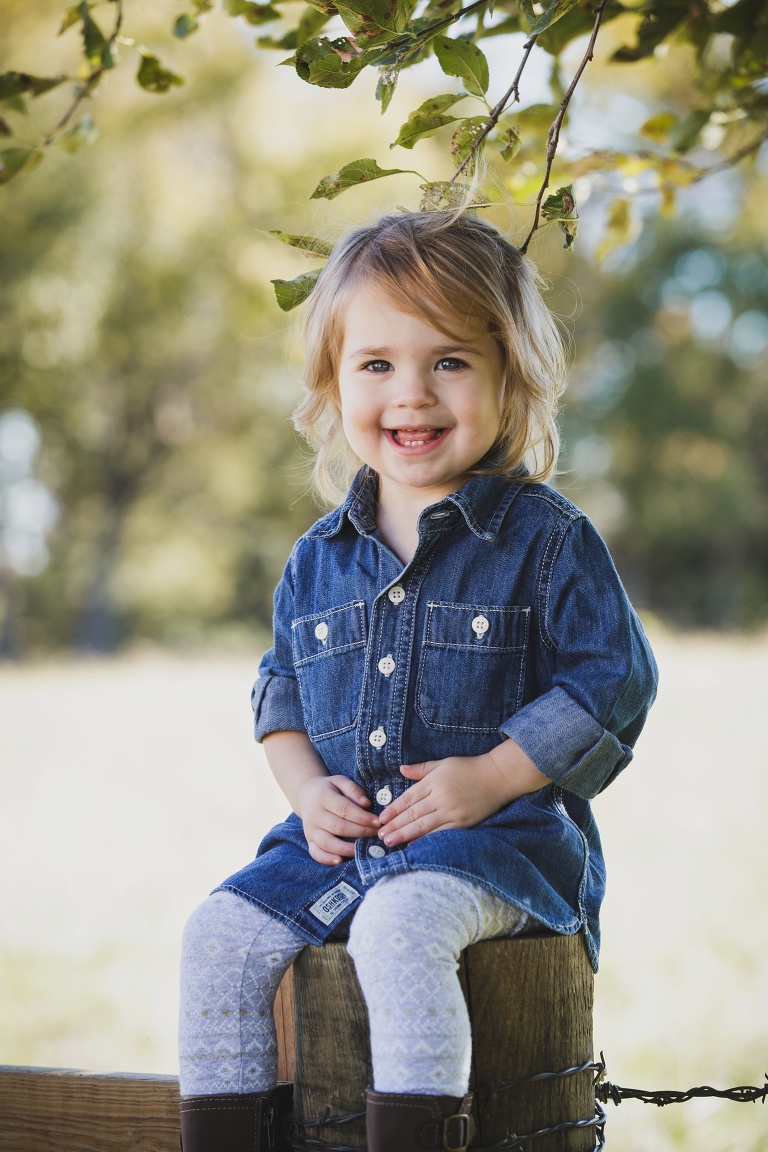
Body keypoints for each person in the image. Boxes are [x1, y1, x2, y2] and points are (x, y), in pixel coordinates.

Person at [178, 210, 658, 1152]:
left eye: (449, 361)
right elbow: (280, 697)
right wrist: (307, 792)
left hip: (501, 844)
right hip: (337, 846)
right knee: (216, 938)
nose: (412, 394)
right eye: (376, 364)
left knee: (397, 926)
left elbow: (615, 679)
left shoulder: (546, 539)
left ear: (509, 375)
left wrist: (493, 777)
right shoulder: (316, 560)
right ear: (333, 383)